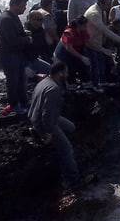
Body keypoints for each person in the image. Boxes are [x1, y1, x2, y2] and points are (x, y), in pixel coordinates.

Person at [28, 61, 82, 190]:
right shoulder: (54, 89)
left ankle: (61, 146)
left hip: (40, 115)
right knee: (67, 148)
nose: (68, 74)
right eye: (66, 72)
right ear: (60, 73)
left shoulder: (45, 81)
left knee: (71, 127)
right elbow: (46, 115)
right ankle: (74, 180)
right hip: (43, 121)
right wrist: (48, 133)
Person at [0, 0, 33, 115]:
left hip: (18, 53)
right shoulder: (6, 19)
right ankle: (14, 105)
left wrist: (25, 34)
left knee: (22, 80)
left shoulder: (15, 16)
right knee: (13, 81)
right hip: (8, 55)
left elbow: (19, 32)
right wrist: (27, 40)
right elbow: (11, 40)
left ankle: (24, 102)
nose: (24, 8)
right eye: (23, 6)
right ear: (15, 5)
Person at [84, 0, 120, 89]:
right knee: (95, 64)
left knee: (101, 62)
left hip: (97, 42)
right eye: (107, 4)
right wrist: (119, 39)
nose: (109, 6)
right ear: (101, 3)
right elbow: (103, 29)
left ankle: (102, 81)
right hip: (91, 42)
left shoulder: (101, 11)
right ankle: (96, 85)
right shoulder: (94, 14)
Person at [53, 16, 92, 90]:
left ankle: (87, 86)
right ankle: (71, 89)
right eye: (85, 25)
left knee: (83, 68)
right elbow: (69, 48)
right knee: (70, 71)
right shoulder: (69, 32)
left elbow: (87, 43)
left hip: (76, 53)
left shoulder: (83, 32)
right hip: (64, 55)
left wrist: (100, 49)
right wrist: (82, 57)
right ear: (79, 25)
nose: (86, 27)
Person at [23, 10, 52, 76]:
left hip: (35, 59)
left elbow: (45, 46)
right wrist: (24, 66)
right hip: (25, 62)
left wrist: (51, 59)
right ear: (31, 20)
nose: (41, 21)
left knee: (52, 70)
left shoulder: (41, 30)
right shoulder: (25, 32)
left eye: (42, 19)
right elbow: (20, 52)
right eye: (39, 19)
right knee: (29, 77)